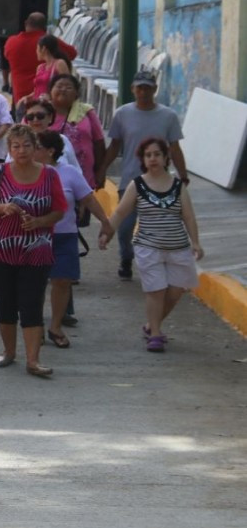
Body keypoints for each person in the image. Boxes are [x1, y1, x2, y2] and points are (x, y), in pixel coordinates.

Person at [0, 125, 67, 377]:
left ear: (35, 148)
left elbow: (60, 209)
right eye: (15, 146)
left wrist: (39, 222)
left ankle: (33, 360)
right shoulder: (0, 172)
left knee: (32, 305)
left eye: (26, 145)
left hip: (37, 252)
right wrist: (3, 208)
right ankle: (9, 351)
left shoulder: (49, 175)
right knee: (5, 304)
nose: (21, 150)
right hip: (1, 251)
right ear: (9, 149)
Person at [100, 137, 202, 352]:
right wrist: (107, 233)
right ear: (143, 160)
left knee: (175, 292)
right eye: (148, 155)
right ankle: (155, 334)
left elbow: (189, 217)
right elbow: (120, 212)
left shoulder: (177, 186)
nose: (153, 159)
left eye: (157, 154)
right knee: (155, 291)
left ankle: (150, 325)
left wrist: (195, 242)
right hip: (148, 247)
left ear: (166, 158)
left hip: (178, 248)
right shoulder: (137, 185)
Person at [95, 71, 188, 280]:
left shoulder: (168, 116)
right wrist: (102, 170)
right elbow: (114, 146)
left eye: (147, 88)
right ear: (132, 90)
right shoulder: (122, 114)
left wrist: (183, 176)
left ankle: (158, 263)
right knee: (125, 227)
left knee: (159, 225)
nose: (143, 92)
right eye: (139, 88)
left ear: (155, 90)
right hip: (130, 180)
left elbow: (175, 148)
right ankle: (126, 256)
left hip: (160, 183)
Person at [34, 131, 113, 349]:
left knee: (62, 281)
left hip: (64, 235)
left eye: (37, 146)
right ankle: (36, 324)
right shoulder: (27, 172)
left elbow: (87, 198)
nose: (31, 151)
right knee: (36, 283)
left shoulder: (69, 173)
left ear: (50, 151)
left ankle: (55, 326)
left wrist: (105, 222)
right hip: (35, 236)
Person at [4, 12, 77, 104]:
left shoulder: (11, 42)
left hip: (20, 97)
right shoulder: (48, 42)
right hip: (46, 100)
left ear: (26, 23)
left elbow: (6, 58)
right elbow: (72, 53)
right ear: (44, 26)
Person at [47, 74, 104, 189]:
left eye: (68, 87)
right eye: (59, 86)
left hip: (84, 175)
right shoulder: (39, 113)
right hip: (50, 174)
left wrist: (101, 171)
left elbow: (99, 142)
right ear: (50, 90)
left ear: (77, 93)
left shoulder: (87, 112)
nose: (63, 90)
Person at [18, 98, 78, 168]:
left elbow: (77, 171)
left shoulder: (63, 139)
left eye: (40, 116)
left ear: (50, 117)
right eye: (30, 117)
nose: (35, 120)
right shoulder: (19, 142)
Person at [24, 35, 73, 107]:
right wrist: (28, 97)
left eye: (37, 48)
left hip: (52, 106)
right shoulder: (40, 67)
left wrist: (51, 96)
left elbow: (68, 85)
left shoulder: (59, 63)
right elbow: (38, 89)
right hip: (38, 105)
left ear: (43, 48)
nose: (36, 51)